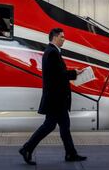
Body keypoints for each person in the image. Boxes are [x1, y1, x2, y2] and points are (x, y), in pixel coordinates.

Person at [19, 28, 87, 165]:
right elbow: (60, 75)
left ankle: (70, 153)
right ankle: (27, 148)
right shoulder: (52, 53)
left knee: (64, 126)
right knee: (49, 125)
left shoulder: (52, 52)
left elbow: (58, 73)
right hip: (56, 99)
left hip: (57, 99)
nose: (64, 39)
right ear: (55, 37)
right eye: (62, 37)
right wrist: (74, 73)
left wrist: (74, 73)